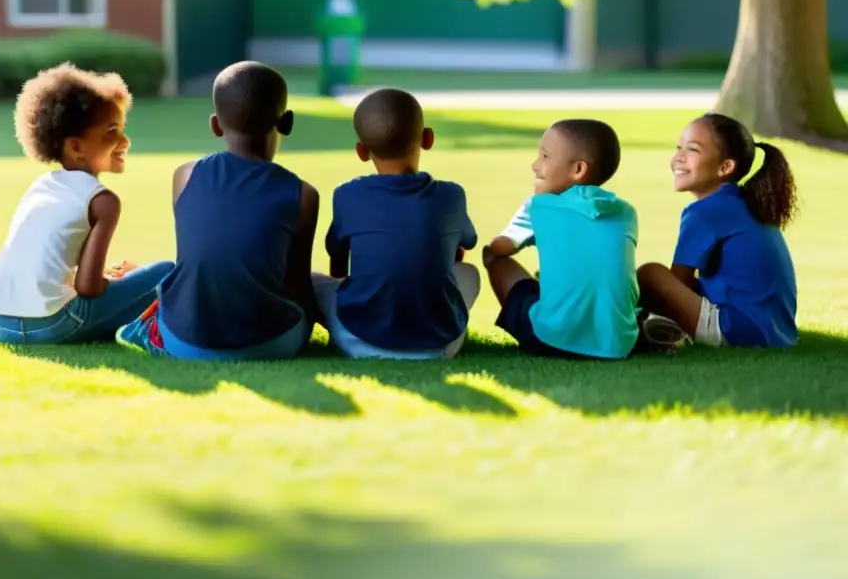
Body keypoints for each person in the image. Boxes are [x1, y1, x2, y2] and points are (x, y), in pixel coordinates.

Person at [117, 61, 319, 360]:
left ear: (215, 124)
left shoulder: (184, 176)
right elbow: (298, 283)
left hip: (184, 342)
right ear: (286, 122)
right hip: (272, 345)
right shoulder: (303, 194)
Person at [0, 64, 173, 344]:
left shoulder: (40, 187)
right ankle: (153, 331)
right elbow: (89, 287)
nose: (125, 141)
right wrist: (120, 283)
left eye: (122, 129)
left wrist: (109, 278)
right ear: (76, 147)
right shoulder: (102, 201)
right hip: (52, 324)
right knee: (168, 272)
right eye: (111, 131)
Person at [311, 88, 480, 359]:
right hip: (439, 347)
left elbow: (338, 260)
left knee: (313, 280)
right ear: (427, 138)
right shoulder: (451, 195)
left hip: (356, 339)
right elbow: (459, 252)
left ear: (361, 151)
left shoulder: (347, 195)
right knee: (469, 272)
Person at [484, 119, 642, 359]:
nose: (535, 165)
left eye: (545, 157)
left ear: (578, 170)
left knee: (493, 256)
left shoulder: (538, 205)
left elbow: (501, 247)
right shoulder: (626, 212)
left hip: (551, 339)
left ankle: (540, 328)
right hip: (617, 344)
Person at [637, 113, 798, 348]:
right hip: (772, 331)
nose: (678, 158)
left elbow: (677, 281)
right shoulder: (744, 202)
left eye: (692, 150)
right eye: (679, 148)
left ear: (725, 167)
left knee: (651, 274)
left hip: (738, 331)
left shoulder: (705, 211)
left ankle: (636, 331)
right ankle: (652, 328)